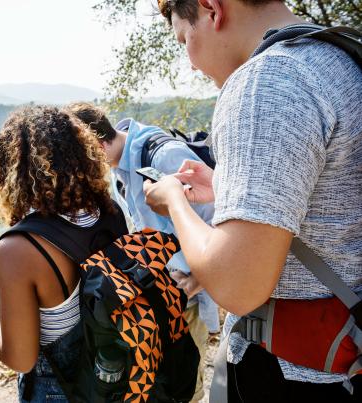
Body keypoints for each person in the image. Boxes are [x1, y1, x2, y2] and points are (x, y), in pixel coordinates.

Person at [143, 1, 362, 401]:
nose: (190, 62)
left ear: (211, 9)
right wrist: (229, 186)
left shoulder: (266, 81)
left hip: (297, 377)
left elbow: (236, 285)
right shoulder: (340, 55)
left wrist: (175, 201)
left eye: (183, 38)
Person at [0, 106, 128, 402]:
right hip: (114, 379)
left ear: (12, 171)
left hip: (59, 390)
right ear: (81, 154)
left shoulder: (21, 248)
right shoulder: (110, 212)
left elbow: (21, 359)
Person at [66, 101, 219, 402]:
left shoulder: (164, 156)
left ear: (96, 145)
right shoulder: (119, 164)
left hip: (187, 299)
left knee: (184, 387)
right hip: (162, 298)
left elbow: (221, 225)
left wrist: (197, 280)